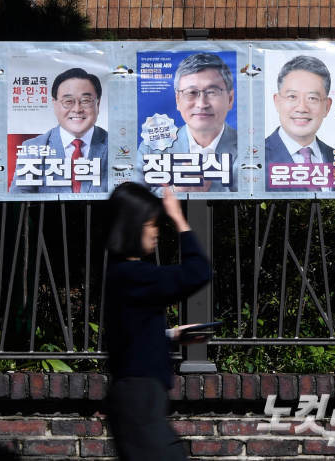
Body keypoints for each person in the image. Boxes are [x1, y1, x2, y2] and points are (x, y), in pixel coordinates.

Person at [103, 182, 212, 461]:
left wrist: (171, 337)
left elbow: (129, 335)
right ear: (132, 225)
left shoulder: (121, 274)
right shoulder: (134, 275)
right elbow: (197, 271)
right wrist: (178, 218)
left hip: (134, 399)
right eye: (151, 223)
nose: (156, 232)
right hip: (139, 400)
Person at [136, 53, 238, 192]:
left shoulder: (250, 149)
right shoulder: (152, 148)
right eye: (191, 93)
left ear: (230, 99)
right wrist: (175, 191)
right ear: (178, 99)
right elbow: (131, 199)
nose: (202, 104)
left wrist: (208, 191)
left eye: (212, 92)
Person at [9, 68, 108, 194]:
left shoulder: (115, 146)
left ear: (98, 104)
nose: (77, 109)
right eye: (68, 101)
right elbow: (18, 196)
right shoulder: (33, 148)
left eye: (85, 101)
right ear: (55, 105)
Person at [265, 55, 335, 192]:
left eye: (312, 98)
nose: (302, 108)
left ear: (327, 107)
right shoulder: (255, 159)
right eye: (292, 97)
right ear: (277, 102)